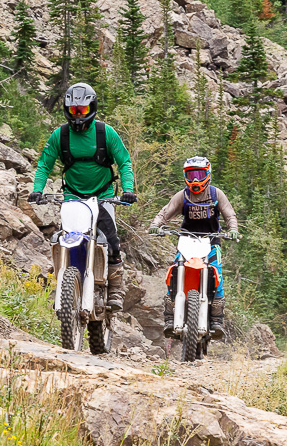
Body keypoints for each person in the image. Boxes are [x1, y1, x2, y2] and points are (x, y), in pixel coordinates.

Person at [28, 82, 137, 310]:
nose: (78, 115)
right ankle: (65, 282)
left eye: (82, 110)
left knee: (111, 238)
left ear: (92, 107)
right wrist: (37, 189)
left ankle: (116, 286)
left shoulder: (105, 133)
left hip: (103, 195)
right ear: (67, 109)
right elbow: (43, 165)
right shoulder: (60, 135)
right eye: (74, 110)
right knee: (65, 237)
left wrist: (127, 189)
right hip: (73, 196)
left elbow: (124, 162)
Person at [149, 156, 238, 339]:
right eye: (191, 175)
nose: (195, 180)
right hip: (187, 241)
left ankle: (216, 321)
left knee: (217, 277)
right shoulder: (183, 195)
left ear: (208, 174)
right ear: (185, 176)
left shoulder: (216, 194)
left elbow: (229, 214)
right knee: (173, 274)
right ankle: (169, 318)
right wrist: (155, 224)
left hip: (211, 241)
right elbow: (165, 212)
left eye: (199, 174)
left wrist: (233, 230)